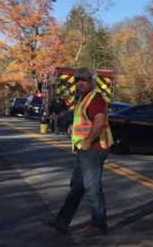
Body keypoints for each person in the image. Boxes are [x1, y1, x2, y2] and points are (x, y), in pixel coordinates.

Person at [43, 67, 113, 236]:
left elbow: (100, 121)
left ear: (91, 82)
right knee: (77, 187)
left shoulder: (95, 98)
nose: (80, 83)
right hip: (84, 149)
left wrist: (88, 140)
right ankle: (62, 221)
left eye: (84, 80)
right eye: (77, 80)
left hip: (94, 149)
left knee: (92, 187)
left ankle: (99, 225)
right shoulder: (83, 98)